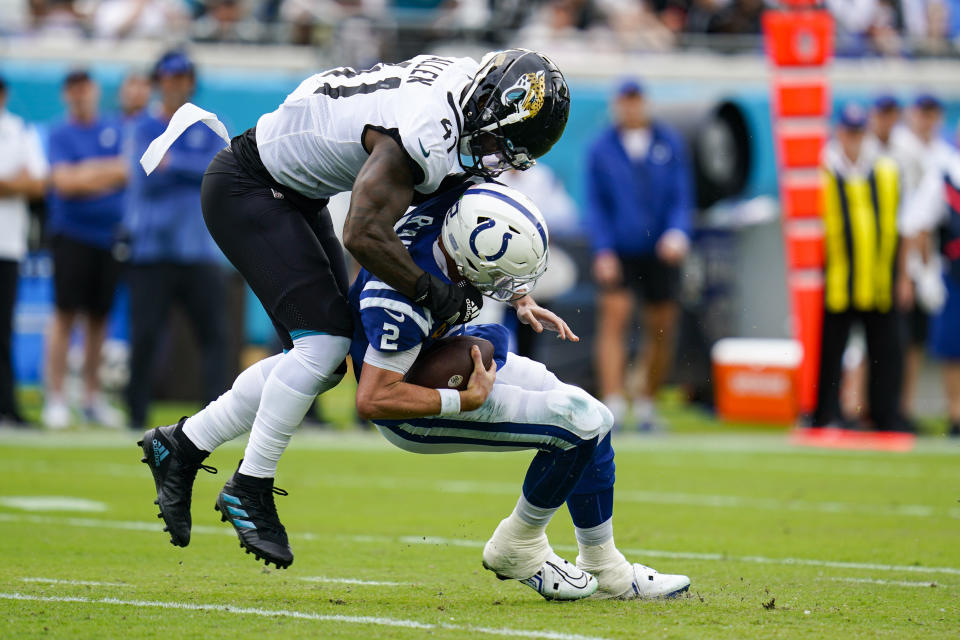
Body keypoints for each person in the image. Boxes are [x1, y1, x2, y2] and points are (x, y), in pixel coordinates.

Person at [140, 181, 692, 600]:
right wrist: (461, 401)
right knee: (577, 423)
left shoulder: (445, 209)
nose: (498, 289)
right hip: (414, 404)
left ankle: (602, 563)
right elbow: (374, 399)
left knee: (591, 412)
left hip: (445, 350)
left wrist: (518, 294)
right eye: (492, 279)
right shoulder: (397, 302)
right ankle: (519, 545)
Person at [137, 49, 570, 563]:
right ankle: (249, 485)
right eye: (498, 139)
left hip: (293, 190)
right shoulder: (425, 131)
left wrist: (516, 291)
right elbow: (363, 234)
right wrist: (432, 292)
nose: (495, 153)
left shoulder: (465, 88)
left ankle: (182, 445)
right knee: (321, 349)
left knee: (319, 360)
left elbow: (462, 197)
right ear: (487, 107)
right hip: (250, 186)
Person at [123, 51, 228, 433]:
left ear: (191, 81)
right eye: (168, 77)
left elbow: (216, 171)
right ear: (158, 81)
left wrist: (175, 163)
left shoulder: (207, 125)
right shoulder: (142, 126)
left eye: (182, 76)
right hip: (152, 251)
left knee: (214, 335)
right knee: (146, 335)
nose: (175, 83)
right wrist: (191, 165)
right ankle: (135, 413)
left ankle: (215, 415)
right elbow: (148, 173)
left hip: (198, 249)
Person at [585, 78, 693, 430]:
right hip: (620, 248)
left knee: (662, 327)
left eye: (636, 100)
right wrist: (603, 249)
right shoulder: (601, 148)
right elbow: (596, 205)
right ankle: (614, 402)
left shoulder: (668, 141)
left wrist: (677, 233)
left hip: (660, 250)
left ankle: (647, 402)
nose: (631, 107)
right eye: (625, 100)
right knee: (614, 319)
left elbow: (681, 194)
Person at [813, 103, 905, 432]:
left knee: (885, 353)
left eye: (858, 132)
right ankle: (826, 413)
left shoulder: (885, 171)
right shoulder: (822, 171)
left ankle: (884, 416)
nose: (853, 139)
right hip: (835, 279)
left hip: (878, 278)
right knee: (830, 352)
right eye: (849, 132)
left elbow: (900, 226)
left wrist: (902, 276)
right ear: (840, 132)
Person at [44, 70, 127, 429]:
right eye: (73, 89)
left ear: (94, 91)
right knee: (65, 315)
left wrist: (87, 174)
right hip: (72, 235)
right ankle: (57, 397)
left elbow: (128, 171)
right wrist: (101, 175)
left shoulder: (114, 129)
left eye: (85, 88)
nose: (81, 95)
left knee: (99, 318)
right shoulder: (59, 133)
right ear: (66, 95)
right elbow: (64, 183)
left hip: (109, 237)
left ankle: (92, 397)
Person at [901, 121, 960, 437]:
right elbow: (918, 224)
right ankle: (955, 413)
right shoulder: (946, 175)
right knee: (953, 348)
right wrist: (924, 272)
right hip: (954, 272)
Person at [0, 75, 48, 427]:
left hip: (7, 245)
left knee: (3, 330)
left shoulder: (19, 130)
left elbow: (37, 183)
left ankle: (7, 405)